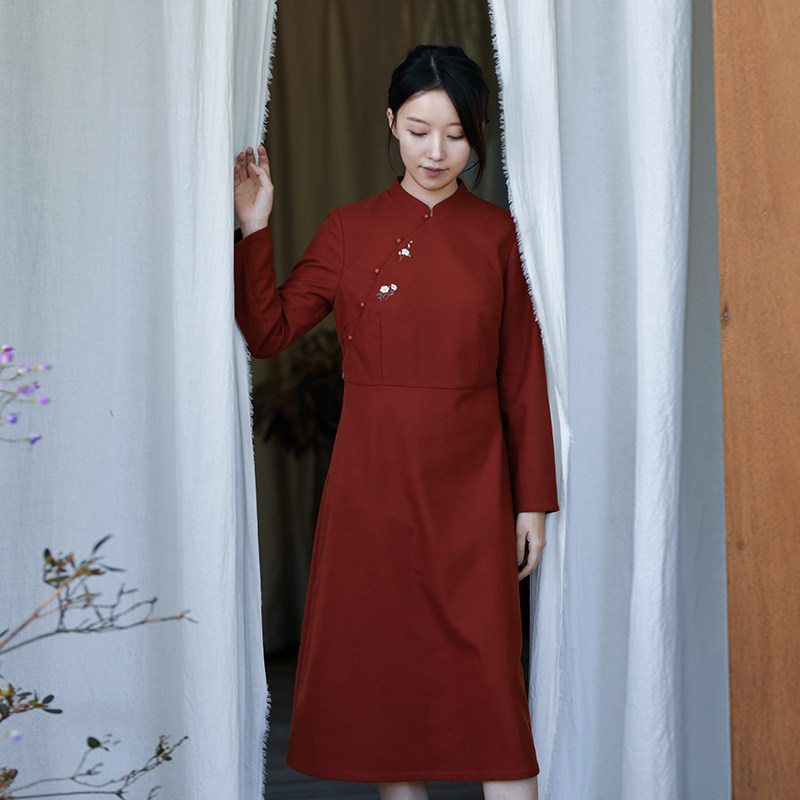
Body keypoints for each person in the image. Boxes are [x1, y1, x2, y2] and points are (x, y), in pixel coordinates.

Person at [233, 44, 558, 800]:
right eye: (418, 131)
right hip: (372, 492)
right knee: (389, 699)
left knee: (494, 693)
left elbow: (522, 376)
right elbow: (269, 330)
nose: (436, 152)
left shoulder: (502, 236)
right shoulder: (349, 229)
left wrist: (533, 502)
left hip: (472, 491)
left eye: (455, 134)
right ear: (390, 123)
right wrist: (254, 227)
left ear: (479, 134)